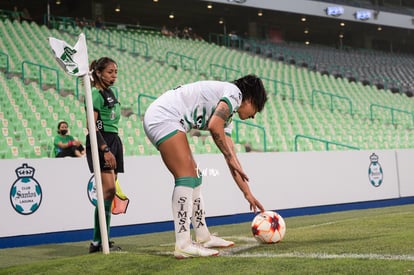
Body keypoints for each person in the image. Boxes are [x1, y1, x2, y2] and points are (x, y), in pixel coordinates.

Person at [143, 74, 268, 259]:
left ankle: (203, 237)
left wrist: (247, 193)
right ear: (250, 99)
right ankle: (183, 244)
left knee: (195, 175)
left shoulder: (228, 113)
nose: (254, 115)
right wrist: (229, 156)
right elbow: (214, 126)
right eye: (256, 108)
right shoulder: (234, 94)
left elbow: (232, 158)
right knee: (186, 176)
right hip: (163, 117)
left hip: (170, 119)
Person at [86, 57, 124, 253]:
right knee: (108, 190)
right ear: (99, 73)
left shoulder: (110, 93)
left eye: (116, 72)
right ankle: (98, 240)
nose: (114, 76)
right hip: (101, 142)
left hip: (114, 140)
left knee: (108, 193)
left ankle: (100, 240)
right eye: (110, 72)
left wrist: (114, 146)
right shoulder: (94, 93)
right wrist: (105, 149)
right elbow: (91, 125)